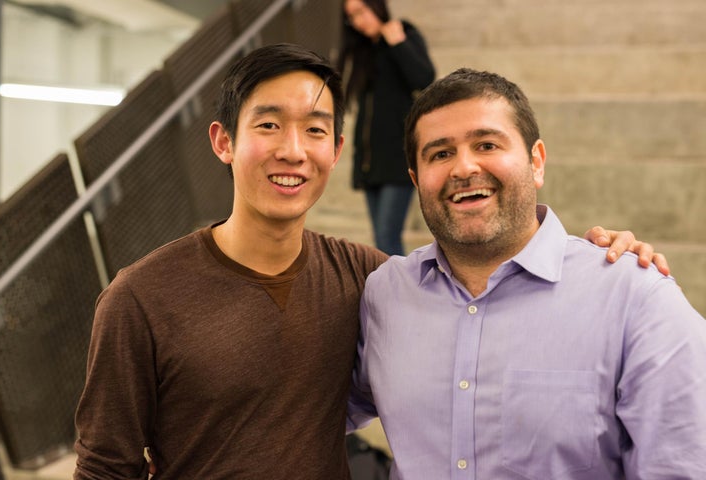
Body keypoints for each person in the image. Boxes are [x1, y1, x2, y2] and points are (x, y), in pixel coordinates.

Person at [72, 43, 667, 480]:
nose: (292, 150)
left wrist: (598, 254)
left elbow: (473, 292)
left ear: (335, 151)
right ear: (224, 141)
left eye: (315, 130)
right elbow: (104, 468)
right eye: (269, 125)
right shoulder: (140, 299)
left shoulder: (373, 281)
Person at [349, 68, 706, 478]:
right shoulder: (385, 294)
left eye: (486, 144)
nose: (463, 168)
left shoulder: (634, 297)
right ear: (416, 180)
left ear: (536, 162)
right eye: (440, 154)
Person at [337, 0, 435, 255]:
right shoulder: (364, 51)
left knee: (387, 236)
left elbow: (424, 79)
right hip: (371, 161)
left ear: (376, 6)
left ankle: (400, 293)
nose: (358, 21)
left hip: (398, 158)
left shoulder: (403, 33)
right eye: (352, 17)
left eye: (361, 11)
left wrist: (398, 43)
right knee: (382, 239)